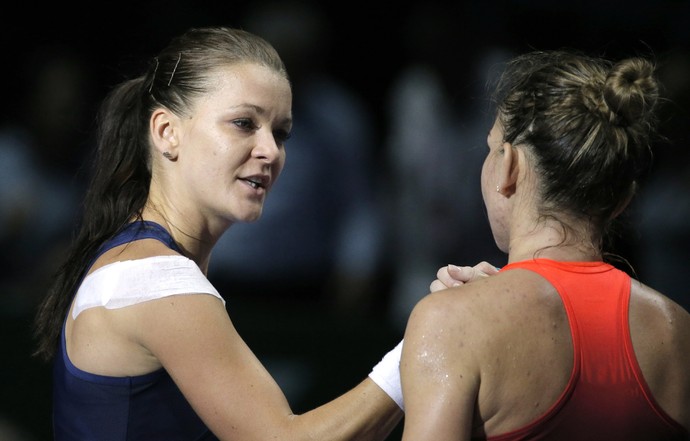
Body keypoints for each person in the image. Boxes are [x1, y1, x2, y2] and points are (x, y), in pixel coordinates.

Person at [31, 26, 409, 441]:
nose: (271, 151)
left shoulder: (141, 264)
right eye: (244, 123)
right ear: (166, 132)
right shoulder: (154, 278)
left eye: (281, 133)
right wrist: (422, 347)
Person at [400, 50, 690, 440]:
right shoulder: (677, 331)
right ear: (622, 200)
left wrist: (456, 318)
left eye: (491, 148)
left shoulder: (450, 322)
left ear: (509, 167)